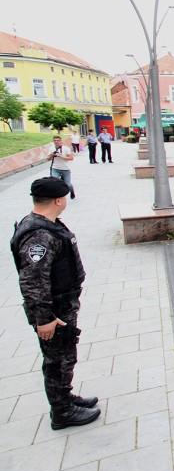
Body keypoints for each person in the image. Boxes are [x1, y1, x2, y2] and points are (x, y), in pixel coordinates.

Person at [10, 177, 100, 430]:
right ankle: (62, 412)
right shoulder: (39, 234)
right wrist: (44, 318)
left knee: (63, 357)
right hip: (53, 310)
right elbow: (33, 281)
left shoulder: (43, 224)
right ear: (59, 200)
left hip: (60, 305)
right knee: (58, 359)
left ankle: (64, 397)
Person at [49, 135, 75, 200]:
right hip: (55, 168)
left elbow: (71, 158)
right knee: (54, 182)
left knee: (68, 184)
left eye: (58, 140)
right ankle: (57, 196)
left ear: (61, 141)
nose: (56, 142)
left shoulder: (66, 148)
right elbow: (48, 158)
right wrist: (52, 155)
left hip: (65, 169)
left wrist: (61, 156)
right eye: (55, 140)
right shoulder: (51, 148)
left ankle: (72, 191)